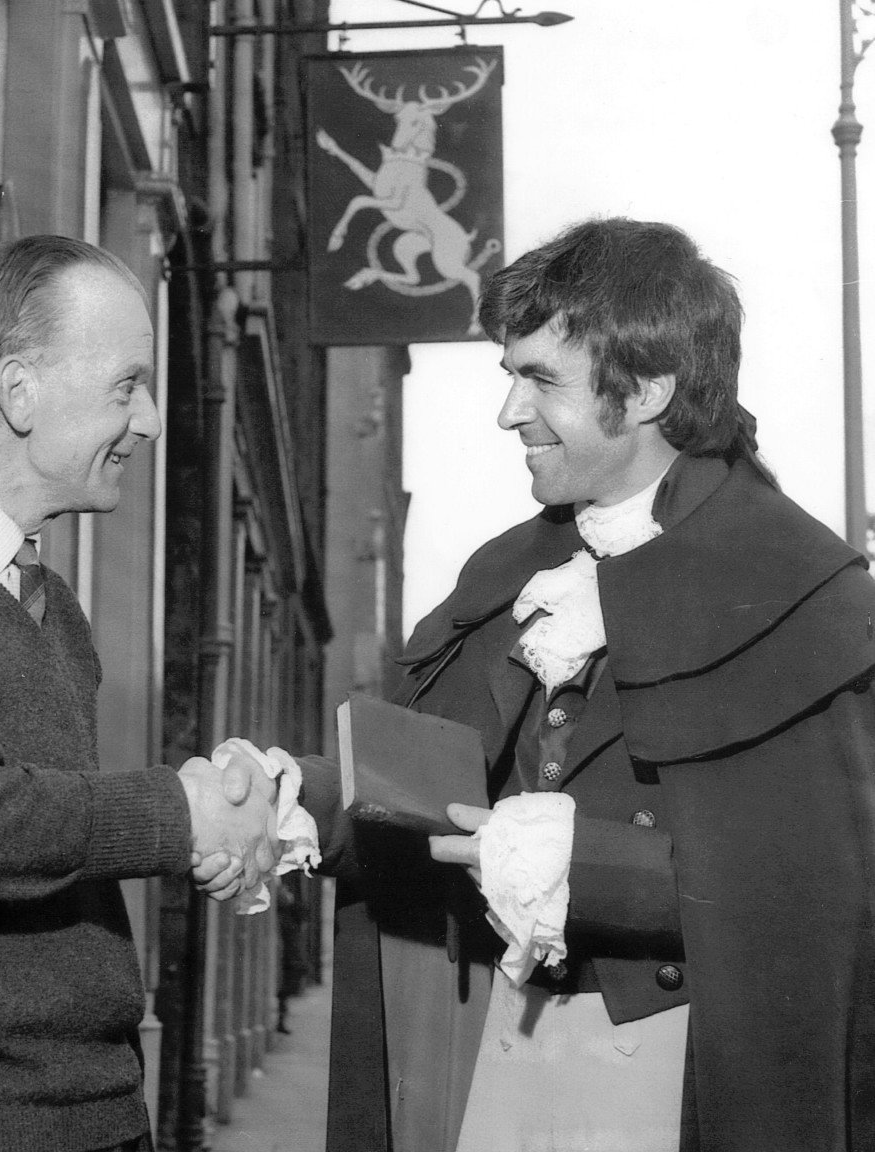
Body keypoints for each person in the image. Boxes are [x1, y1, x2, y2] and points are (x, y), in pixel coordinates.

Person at [301, 218, 875, 1151]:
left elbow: (812, 910)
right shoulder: (504, 572)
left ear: (647, 390)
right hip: (487, 1067)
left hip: (671, 1084)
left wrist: (584, 870)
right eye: (508, 375)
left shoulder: (805, 595)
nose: (508, 414)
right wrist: (306, 799)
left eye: (541, 380)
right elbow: (436, 797)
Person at [0, 235, 282, 1152]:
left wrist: (206, 821)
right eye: (128, 386)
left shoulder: (51, 602)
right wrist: (182, 816)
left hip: (87, 1110)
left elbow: (58, 839)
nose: (153, 420)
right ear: (18, 393)